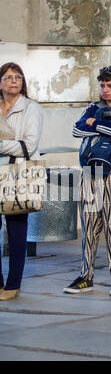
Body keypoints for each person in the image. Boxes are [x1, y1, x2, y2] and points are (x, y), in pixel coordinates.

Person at [66, 66, 111, 296]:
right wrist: (105, 123)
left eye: (110, 86)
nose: (105, 90)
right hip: (90, 172)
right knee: (89, 226)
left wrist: (94, 124)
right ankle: (85, 276)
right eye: (102, 85)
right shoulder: (93, 107)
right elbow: (76, 131)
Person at [0, 63, 43, 300]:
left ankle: (13, 284)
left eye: (18, 77)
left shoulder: (31, 108)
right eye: (7, 77)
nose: (13, 81)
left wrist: (1, 145)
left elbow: (29, 145)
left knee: (16, 229)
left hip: (18, 173)